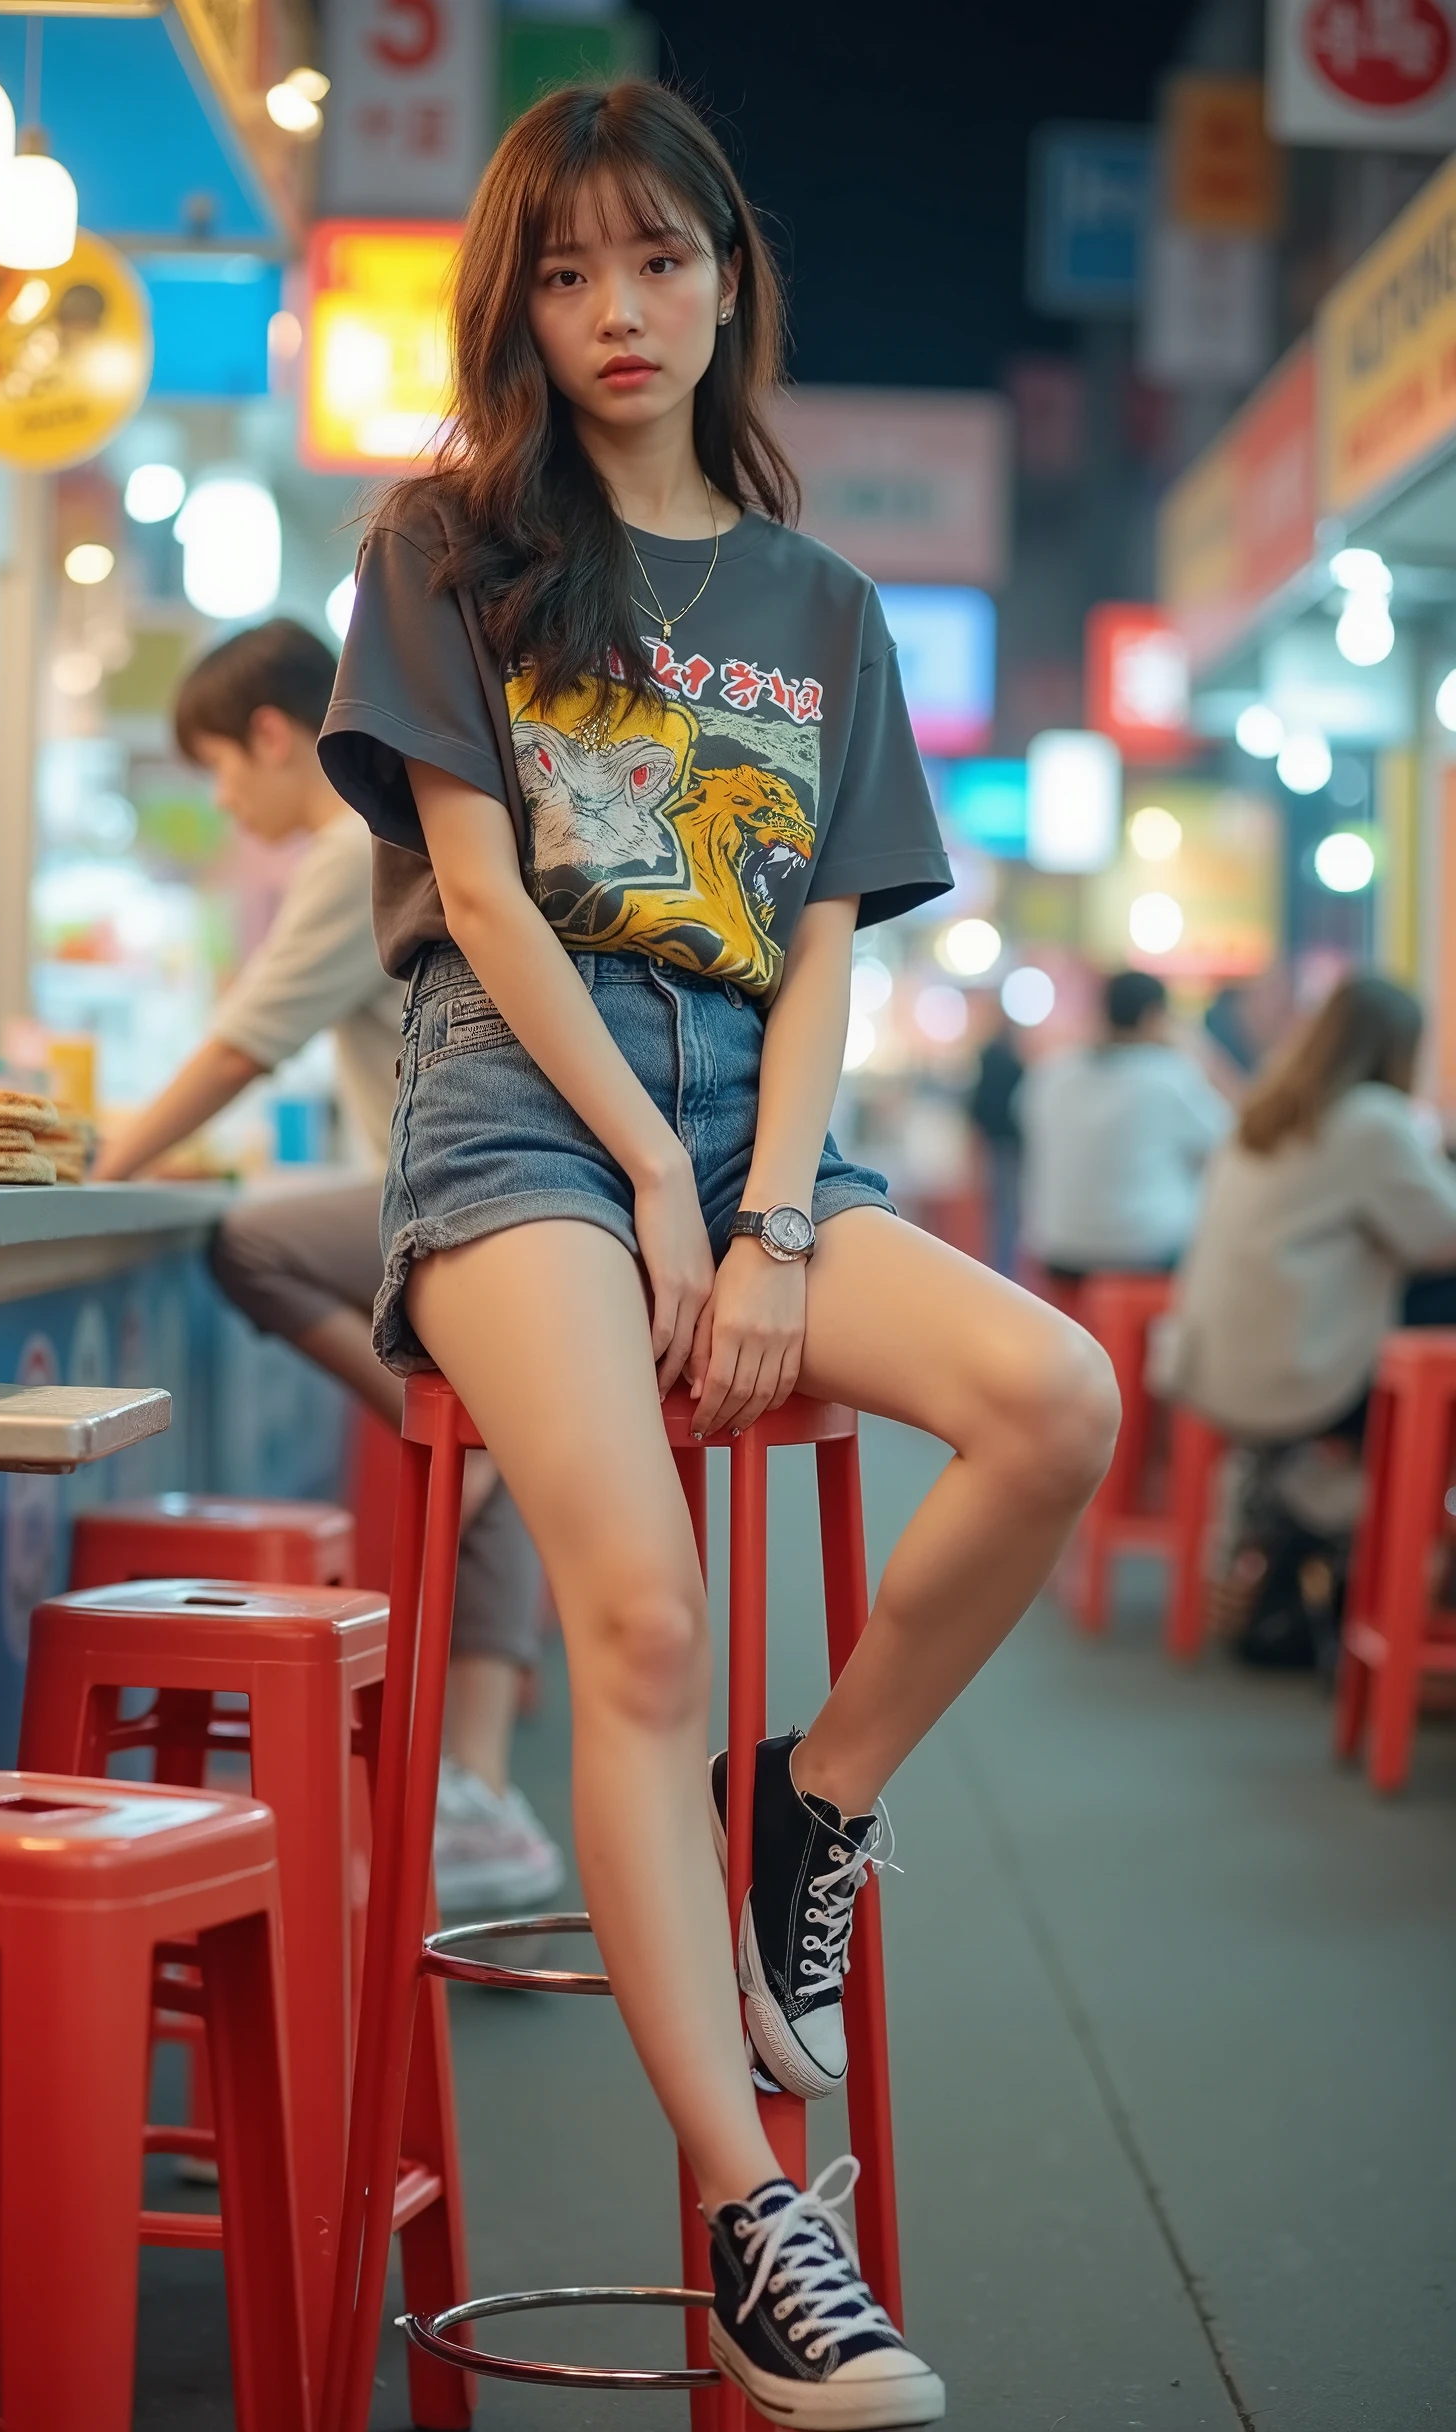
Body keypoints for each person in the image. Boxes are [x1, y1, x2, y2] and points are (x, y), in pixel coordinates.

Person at [316, 81, 1119, 2427]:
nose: (611, 314)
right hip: (513, 1097)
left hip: (750, 1107)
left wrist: (767, 1207)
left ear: (723, 273)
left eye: (651, 260)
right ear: (516, 307)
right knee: (641, 1600)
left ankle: (817, 1797)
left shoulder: (822, 603)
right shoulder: (444, 544)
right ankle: (760, 2213)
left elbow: (825, 953)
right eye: (560, 275)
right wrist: (659, 1193)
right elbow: (476, 894)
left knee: (1052, 1397)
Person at [93, 619, 563, 1913]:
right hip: (529, 1196)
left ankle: (446, 1443)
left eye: (219, 772)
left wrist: (106, 1164)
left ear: (268, 735)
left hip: (463, 1192)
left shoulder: (350, 840)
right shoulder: (418, 822)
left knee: (253, 1245)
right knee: (499, 1459)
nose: (227, 803)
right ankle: (482, 1794)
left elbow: (242, 1046)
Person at [1167, 976, 1456, 1663]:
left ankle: (1350, 1544)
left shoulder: (1263, 1112)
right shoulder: (1371, 1121)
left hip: (1212, 1366)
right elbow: (1441, 1235)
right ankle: (1409, 1570)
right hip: (1299, 1378)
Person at [1019, 968, 1231, 1284]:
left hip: (1059, 1254)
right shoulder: (1168, 1076)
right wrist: (1198, 1051)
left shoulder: (1051, 1074)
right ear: (1154, 1017)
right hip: (1146, 1256)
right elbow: (1232, 1140)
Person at [966, 1012, 1023, 1277]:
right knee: (1008, 1212)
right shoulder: (1012, 1066)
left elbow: (977, 1107)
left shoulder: (988, 1062)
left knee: (999, 1211)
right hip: (1009, 1145)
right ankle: (1005, 1269)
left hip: (993, 1142)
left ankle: (1000, 1267)